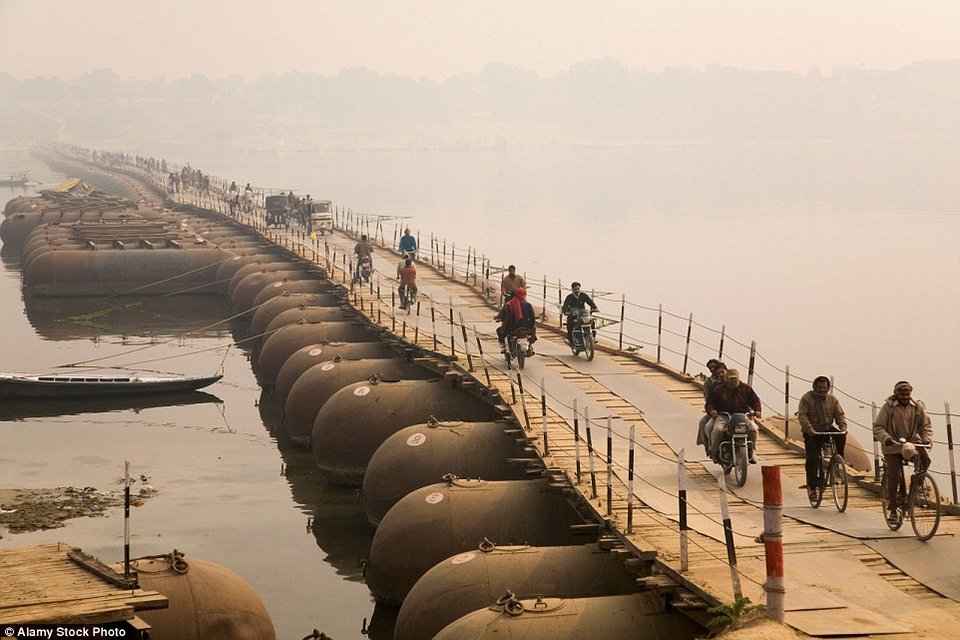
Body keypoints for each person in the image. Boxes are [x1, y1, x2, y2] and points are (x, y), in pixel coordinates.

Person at [873, 381, 932, 525]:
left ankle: (916, 483)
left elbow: (925, 425)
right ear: (896, 394)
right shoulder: (888, 407)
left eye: (907, 394)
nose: (905, 397)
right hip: (893, 445)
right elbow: (878, 427)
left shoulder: (917, 406)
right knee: (894, 474)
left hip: (911, 443)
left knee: (925, 459)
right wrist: (886, 438)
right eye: (902, 394)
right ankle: (893, 509)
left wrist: (926, 439)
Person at [798, 376, 848, 501]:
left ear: (828, 388)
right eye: (819, 387)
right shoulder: (806, 398)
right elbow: (802, 416)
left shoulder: (832, 400)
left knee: (841, 436)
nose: (822, 390)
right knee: (813, 460)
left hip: (827, 428)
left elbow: (840, 414)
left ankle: (838, 460)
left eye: (824, 387)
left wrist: (842, 426)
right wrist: (810, 429)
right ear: (815, 387)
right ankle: (812, 487)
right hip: (812, 432)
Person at [706, 369, 761, 463]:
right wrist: (712, 411)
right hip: (724, 416)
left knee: (753, 429)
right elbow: (710, 403)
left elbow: (755, 400)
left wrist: (757, 410)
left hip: (743, 416)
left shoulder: (746, 388)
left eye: (735, 379)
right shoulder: (719, 390)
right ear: (726, 378)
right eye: (731, 379)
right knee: (717, 430)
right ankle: (714, 450)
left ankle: (751, 450)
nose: (733, 381)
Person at [698, 360, 727, 456]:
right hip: (716, 410)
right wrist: (712, 409)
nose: (712, 369)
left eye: (714, 367)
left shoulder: (732, 381)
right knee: (704, 424)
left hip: (731, 411)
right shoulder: (710, 384)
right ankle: (708, 445)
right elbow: (708, 400)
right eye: (710, 368)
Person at [496, 287, 537, 355]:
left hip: (513, 329)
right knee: (534, 329)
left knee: (500, 331)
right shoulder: (528, 305)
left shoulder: (510, 304)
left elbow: (508, 318)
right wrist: (530, 327)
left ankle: (504, 347)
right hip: (526, 328)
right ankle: (530, 345)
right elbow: (532, 318)